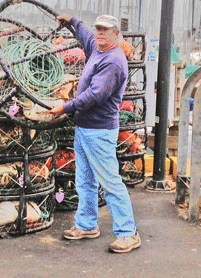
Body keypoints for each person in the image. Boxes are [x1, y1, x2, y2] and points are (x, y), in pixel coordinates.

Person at [48, 13, 141, 253]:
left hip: (100, 131)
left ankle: (128, 232)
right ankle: (87, 224)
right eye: (98, 28)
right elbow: (85, 35)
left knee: (110, 182)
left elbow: (95, 95)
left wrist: (65, 108)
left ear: (116, 34)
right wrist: (71, 21)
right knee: (85, 181)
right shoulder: (97, 48)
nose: (99, 33)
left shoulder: (113, 61)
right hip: (84, 129)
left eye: (105, 30)